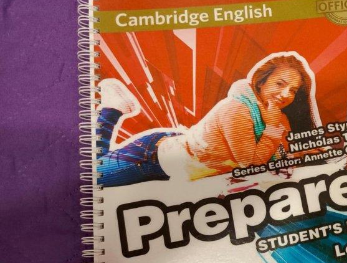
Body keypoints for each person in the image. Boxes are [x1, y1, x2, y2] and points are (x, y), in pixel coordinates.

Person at [96, 52, 321, 187]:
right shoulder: (238, 110)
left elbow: (271, 155)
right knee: (93, 178)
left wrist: (295, 154)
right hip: (152, 158)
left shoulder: (272, 114)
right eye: (280, 84)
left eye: (293, 90)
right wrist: (272, 129)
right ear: (261, 81)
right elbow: (250, 164)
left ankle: (114, 109)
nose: (285, 94)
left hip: (186, 152)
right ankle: (112, 109)